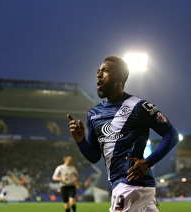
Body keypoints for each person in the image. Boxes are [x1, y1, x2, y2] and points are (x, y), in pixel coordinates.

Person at [67, 55, 179, 212]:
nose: (98, 75)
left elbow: (171, 135)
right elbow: (94, 156)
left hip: (130, 186)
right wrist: (80, 141)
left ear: (119, 77)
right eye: (98, 71)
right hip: (126, 186)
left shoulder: (140, 106)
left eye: (105, 71)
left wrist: (148, 162)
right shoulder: (93, 114)